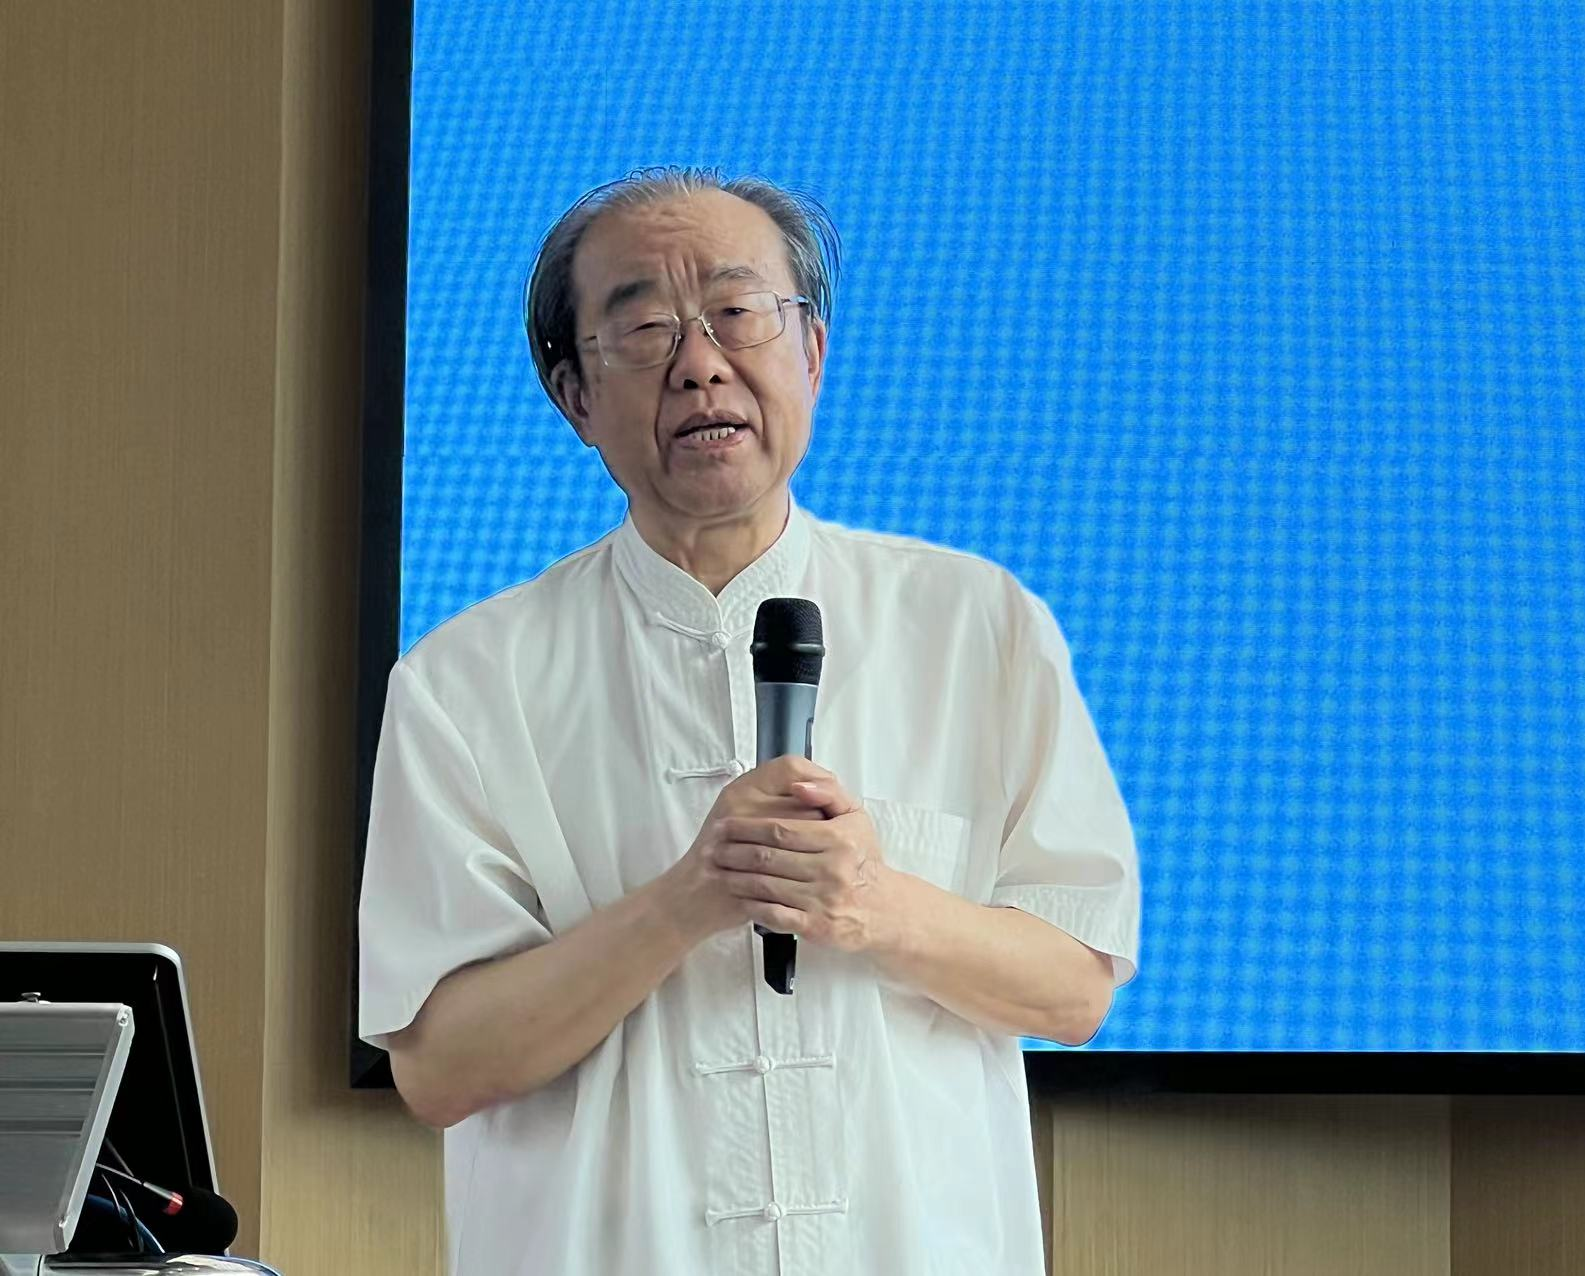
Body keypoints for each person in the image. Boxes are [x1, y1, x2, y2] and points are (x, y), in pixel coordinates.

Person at [358, 165, 1141, 1276]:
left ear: (811, 353)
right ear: (573, 395)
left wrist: (877, 904)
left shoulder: (978, 625)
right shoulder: (467, 681)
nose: (701, 364)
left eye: (738, 312)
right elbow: (440, 1069)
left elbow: (1074, 988)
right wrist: (687, 900)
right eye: (645, 330)